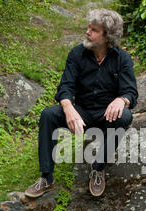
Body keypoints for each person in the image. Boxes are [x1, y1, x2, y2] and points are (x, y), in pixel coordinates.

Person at [25, 8, 138, 198]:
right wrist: (68, 109)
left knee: (125, 116)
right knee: (48, 114)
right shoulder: (77, 54)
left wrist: (121, 99)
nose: (87, 32)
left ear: (107, 36)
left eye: (94, 30)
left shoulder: (122, 59)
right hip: (81, 112)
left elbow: (131, 92)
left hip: (106, 115)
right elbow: (65, 87)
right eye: (88, 27)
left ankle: (97, 169)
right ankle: (46, 177)